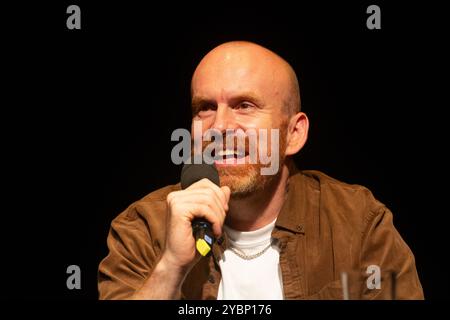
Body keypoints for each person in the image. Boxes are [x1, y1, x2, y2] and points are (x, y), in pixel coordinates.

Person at [98, 41, 424, 299]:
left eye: (244, 105)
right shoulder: (143, 228)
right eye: (205, 108)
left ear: (293, 134)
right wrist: (170, 267)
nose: (220, 126)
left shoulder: (358, 224)